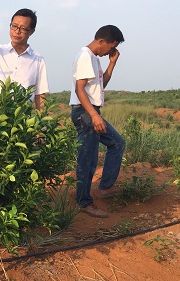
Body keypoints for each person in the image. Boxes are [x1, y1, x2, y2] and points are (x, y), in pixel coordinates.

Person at [69, 25, 125, 218]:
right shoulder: (85, 56)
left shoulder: (94, 59)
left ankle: (105, 188)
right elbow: (80, 89)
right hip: (85, 113)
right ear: (102, 42)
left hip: (90, 111)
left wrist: (112, 63)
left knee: (117, 143)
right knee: (88, 158)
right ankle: (83, 202)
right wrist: (94, 115)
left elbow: (101, 85)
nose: (111, 51)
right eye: (111, 47)